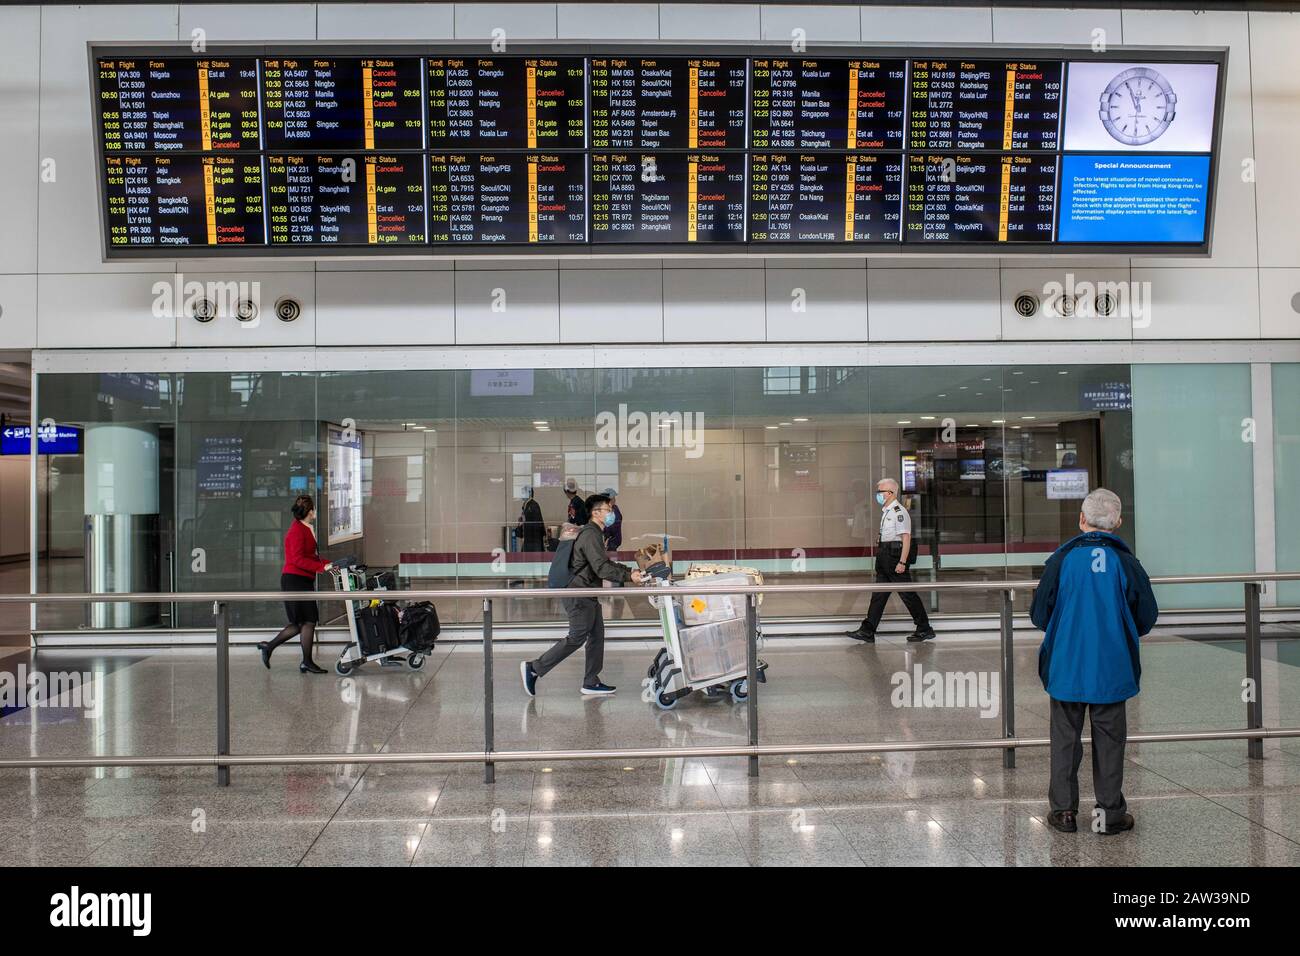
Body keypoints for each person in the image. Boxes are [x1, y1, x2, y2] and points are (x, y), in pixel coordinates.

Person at [1030, 488, 1158, 836]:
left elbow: (1039, 614)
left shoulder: (1061, 560)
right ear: (1117, 522)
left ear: (1081, 520)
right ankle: (1109, 814)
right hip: (1112, 668)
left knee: (1065, 740)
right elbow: (1147, 616)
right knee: (1110, 740)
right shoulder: (1127, 562)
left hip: (1067, 665)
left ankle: (1064, 813)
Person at [521, 493, 643, 697]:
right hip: (577, 592)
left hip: (586, 590)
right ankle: (534, 668)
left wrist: (630, 572)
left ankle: (591, 681)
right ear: (596, 513)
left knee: (596, 635)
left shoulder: (594, 533)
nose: (612, 513)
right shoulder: (590, 534)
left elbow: (603, 564)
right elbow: (602, 568)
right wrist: (630, 576)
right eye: (608, 509)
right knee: (577, 636)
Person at [845, 478, 936, 643]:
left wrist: (902, 562)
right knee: (879, 595)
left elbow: (906, 538)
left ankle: (924, 628)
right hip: (884, 554)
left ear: (889, 493)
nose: (877, 495)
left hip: (894, 556)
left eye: (880, 491)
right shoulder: (886, 511)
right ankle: (868, 630)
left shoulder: (899, 512)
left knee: (907, 594)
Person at [259, 494, 332, 674]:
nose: (315, 511)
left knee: (306, 622)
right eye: (313, 508)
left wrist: (327, 564)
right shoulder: (297, 531)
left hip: (302, 580)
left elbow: (310, 557)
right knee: (305, 622)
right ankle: (298, 658)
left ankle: (277, 650)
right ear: (310, 511)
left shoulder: (305, 528)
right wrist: (321, 568)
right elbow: (297, 559)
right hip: (294, 580)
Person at [516, 485, 545, 553]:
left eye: (523, 493)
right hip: (530, 540)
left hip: (532, 542)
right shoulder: (527, 505)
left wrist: (522, 524)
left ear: (529, 493)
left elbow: (538, 525)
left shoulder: (532, 506)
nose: (521, 495)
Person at [601, 487, 623, 551]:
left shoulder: (614, 510)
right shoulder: (612, 508)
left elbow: (612, 527)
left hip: (611, 541)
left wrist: (605, 535)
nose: (614, 500)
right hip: (611, 541)